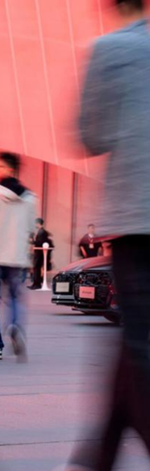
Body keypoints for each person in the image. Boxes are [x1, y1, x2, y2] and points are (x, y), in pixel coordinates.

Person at [68, 0, 150, 471]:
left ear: (118, 6)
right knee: (132, 338)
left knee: (136, 346)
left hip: (129, 218)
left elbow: (90, 134)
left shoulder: (110, 50)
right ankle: (98, 457)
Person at [0, 152, 36, 361]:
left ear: (10, 169)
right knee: (14, 298)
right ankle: (14, 326)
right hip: (16, 258)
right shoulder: (30, 197)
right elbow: (31, 228)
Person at [29, 217, 53, 290]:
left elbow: (40, 243)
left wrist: (32, 241)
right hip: (38, 252)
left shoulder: (42, 232)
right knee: (36, 268)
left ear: (38, 223)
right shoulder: (41, 231)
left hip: (39, 253)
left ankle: (37, 284)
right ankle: (36, 283)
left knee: (37, 268)